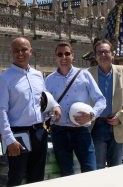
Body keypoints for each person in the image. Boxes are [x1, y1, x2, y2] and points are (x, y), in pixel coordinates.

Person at [0, 37, 61, 187]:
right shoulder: (4, 79)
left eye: (24, 49)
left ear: (31, 51)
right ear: (11, 53)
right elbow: (1, 111)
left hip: (39, 131)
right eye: (16, 50)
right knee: (16, 178)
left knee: (37, 177)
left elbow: (44, 96)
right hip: (18, 134)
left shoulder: (38, 75)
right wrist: (9, 139)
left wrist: (55, 106)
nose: (20, 53)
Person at [45, 42, 106, 175]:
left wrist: (91, 115)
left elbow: (101, 100)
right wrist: (51, 113)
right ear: (55, 57)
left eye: (67, 54)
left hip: (81, 131)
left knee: (90, 171)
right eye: (60, 54)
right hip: (58, 132)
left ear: (73, 56)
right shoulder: (49, 80)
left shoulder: (84, 75)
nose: (64, 57)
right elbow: (43, 106)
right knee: (66, 173)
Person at [88, 39, 123, 168]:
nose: (103, 55)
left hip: (117, 124)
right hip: (97, 125)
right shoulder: (88, 74)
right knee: (97, 166)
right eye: (99, 52)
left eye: (106, 52)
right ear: (95, 56)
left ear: (112, 54)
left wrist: (121, 116)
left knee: (116, 166)